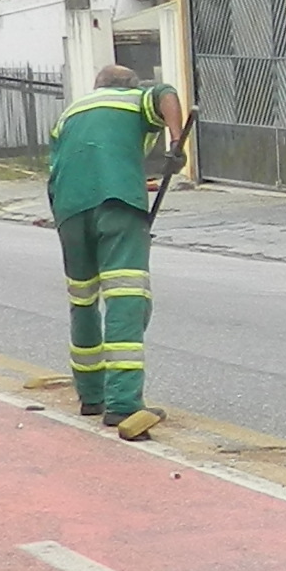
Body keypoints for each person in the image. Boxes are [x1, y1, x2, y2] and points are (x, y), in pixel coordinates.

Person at [46, 61, 187, 436]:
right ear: (130, 85)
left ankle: (91, 395)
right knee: (126, 299)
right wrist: (176, 143)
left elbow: (55, 171)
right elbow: (166, 94)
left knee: (83, 300)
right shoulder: (133, 99)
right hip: (118, 204)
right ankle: (123, 403)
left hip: (69, 211)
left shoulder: (69, 114)